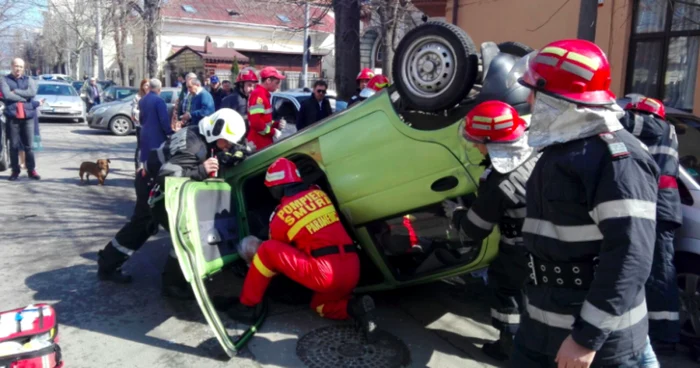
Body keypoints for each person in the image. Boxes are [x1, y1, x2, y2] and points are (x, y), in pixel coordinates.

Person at [512, 39, 659, 367]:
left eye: (533, 91)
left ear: (554, 97)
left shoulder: (617, 159)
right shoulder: (560, 150)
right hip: (539, 333)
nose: (529, 100)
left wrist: (586, 338)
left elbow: (630, 255)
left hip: (596, 349)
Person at [96, 109, 250, 299]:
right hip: (154, 185)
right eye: (226, 142)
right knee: (186, 234)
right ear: (215, 131)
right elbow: (167, 176)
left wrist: (232, 154)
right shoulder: (193, 147)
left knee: (141, 225)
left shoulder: (200, 133)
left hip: (148, 179)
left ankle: (107, 264)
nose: (227, 146)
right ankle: (173, 285)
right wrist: (201, 171)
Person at [224, 158, 378, 342]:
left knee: (267, 249)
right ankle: (356, 308)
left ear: (276, 188)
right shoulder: (320, 194)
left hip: (325, 274)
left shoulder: (281, 215)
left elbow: (276, 255)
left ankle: (247, 306)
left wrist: (253, 262)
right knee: (320, 306)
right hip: (352, 267)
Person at [442, 101, 538, 361]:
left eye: (477, 140)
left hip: (518, 248)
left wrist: (457, 213)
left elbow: (475, 229)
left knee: (507, 291)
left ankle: (510, 346)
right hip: (546, 245)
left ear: (493, 142)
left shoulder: (499, 181)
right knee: (535, 297)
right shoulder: (536, 152)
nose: (475, 146)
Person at [620, 96, 682, 354]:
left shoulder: (657, 126)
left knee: (659, 271)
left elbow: (631, 124)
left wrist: (605, 110)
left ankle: (665, 336)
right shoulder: (665, 131)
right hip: (659, 207)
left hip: (657, 207)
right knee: (654, 268)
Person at [1, 58, 40, 181]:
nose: (18, 69)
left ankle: (31, 170)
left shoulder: (30, 80)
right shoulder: (4, 80)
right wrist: (24, 98)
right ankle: (15, 171)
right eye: (16, 66)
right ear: (12, 66)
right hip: (12, 116)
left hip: (27, 116)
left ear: (23, 68)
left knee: (29, 146)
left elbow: (32, 93)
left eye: (21, 67)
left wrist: (16, 92)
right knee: (13, 145)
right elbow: (7, 95)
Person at [247, 67, 287, 151]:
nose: (279, 86)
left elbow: (264, 120)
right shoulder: (259, 95)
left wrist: (276, 124)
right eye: (277, 82)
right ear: (268, 81)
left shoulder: (263, 95)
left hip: (262, 142)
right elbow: (256, 123)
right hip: (258, 143)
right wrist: (273, 132)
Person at [137, 78, 172, 169]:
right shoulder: (159, 101)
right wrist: (169, 132)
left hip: (144, 132)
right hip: (157, 134)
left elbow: (141, 118)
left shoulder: (142, 100)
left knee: (146, 159)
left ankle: (144, 176)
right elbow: (164, 119)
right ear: (159, 89)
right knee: (156, 159)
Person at [131, 79, 150, 170]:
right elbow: (134, 110)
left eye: (148, 85)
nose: (147, 87)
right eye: (145, 85)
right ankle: (138, 168)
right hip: (140, 125)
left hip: (151, 126)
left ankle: (148, 168)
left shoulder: (152, 96)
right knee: (140, 146)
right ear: (142, 86)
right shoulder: (138, 97)